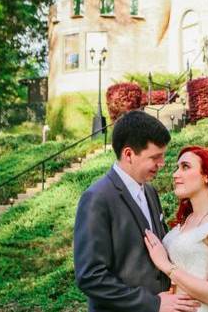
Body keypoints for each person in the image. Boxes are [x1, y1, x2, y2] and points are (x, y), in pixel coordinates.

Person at [73, 110, 200, 312]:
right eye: (155, 157)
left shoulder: (150, 192)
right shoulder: (97, 199)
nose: (162, 163)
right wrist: (153, 304)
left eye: (163, 156)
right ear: (129, 154)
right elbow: (90, 277)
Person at [144, 146, 208, 312]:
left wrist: (167, 266)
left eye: (185, 167)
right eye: (177, 168)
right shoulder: (185, 221)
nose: (175, 174)